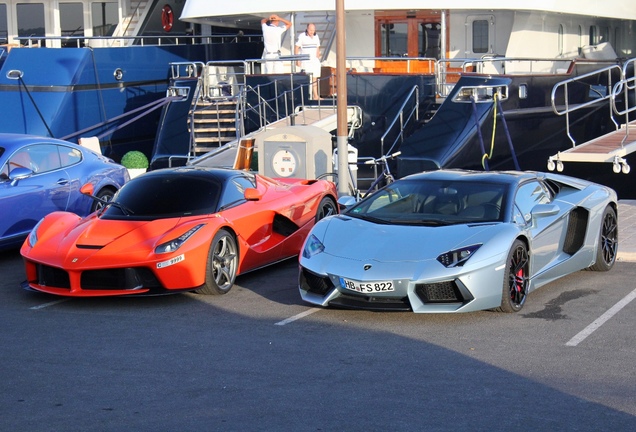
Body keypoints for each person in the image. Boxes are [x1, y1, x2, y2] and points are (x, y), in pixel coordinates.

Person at [295, 23, 321, 99]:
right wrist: (297, 59)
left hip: (314, 60)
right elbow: (296, 48)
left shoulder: (316, 36)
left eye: (313, 30)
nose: (312, 32)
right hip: (306, 60)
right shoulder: (302, 36)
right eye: (310, 30)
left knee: (315, 77)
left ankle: (315, 95)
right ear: (307, 29)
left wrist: (318, 55)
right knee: (307, 78)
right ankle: (307, 96)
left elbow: (317, 47)